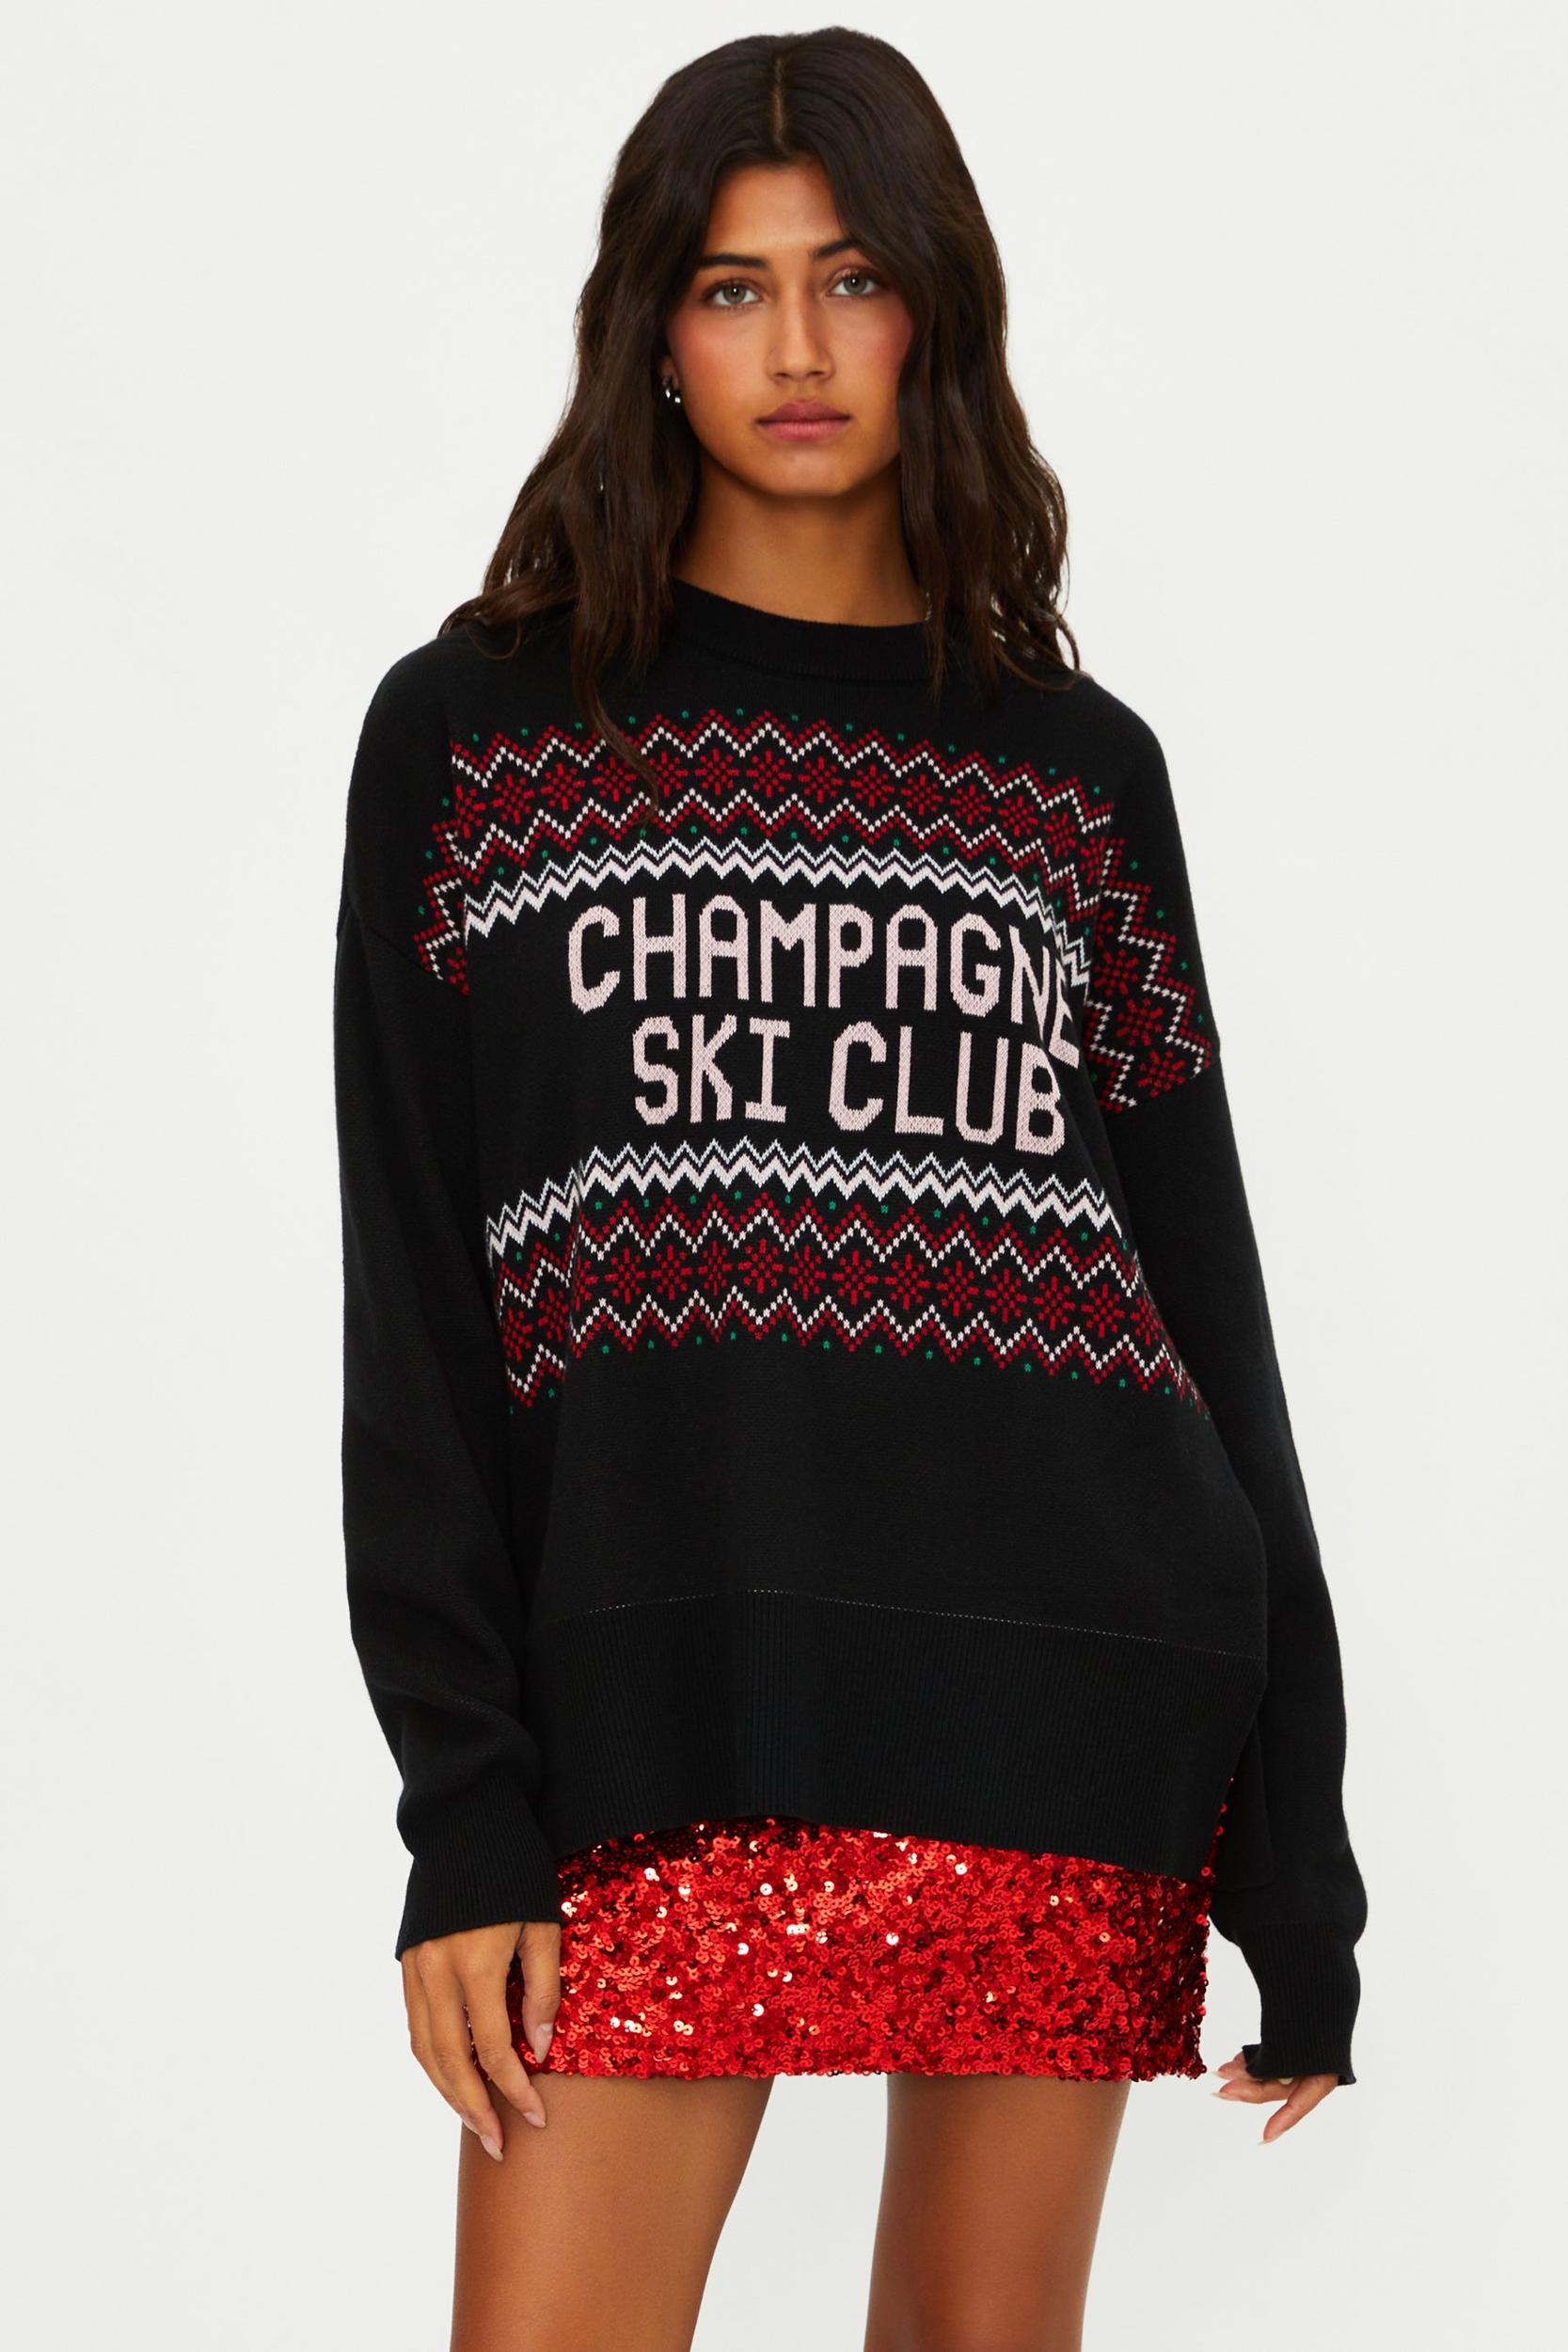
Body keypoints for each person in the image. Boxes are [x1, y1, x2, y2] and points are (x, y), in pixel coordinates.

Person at [331, 28, 1367, 2350]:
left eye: (853, 278)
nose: (798, 346)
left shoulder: (1075, 777)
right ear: (652, 329)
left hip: (1066, 1696)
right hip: (654, 1719)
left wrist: (1294, 1832)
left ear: (936, 315)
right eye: (732, 287)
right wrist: (466, 1812)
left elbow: (1204, 1301)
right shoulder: (479, 736)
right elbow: (417, 1308)